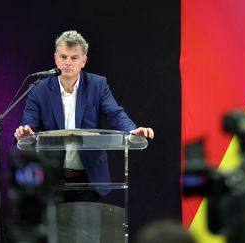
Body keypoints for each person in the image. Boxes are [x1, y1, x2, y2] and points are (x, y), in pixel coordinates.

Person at [14, 30, 154, 201]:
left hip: (89, 179)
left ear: (83, 61)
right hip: (51, 180)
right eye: (63, 57)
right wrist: (26, 133)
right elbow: (29, 123)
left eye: (74, 58)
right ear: (55, 58)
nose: (67, 63)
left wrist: (132, 130)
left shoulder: (97, 84)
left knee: (87, 228)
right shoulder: (38, 89)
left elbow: (115, 113)